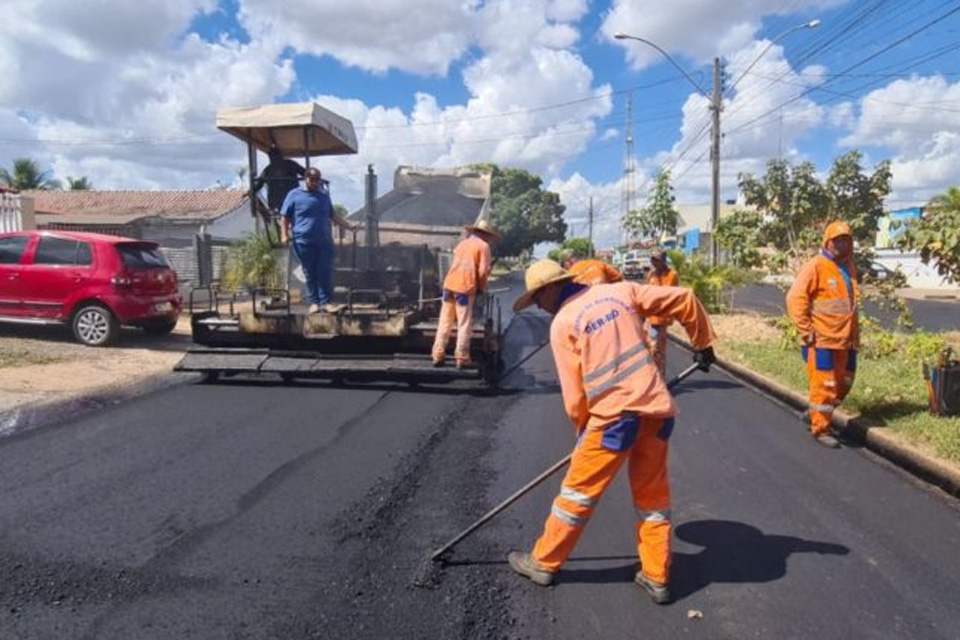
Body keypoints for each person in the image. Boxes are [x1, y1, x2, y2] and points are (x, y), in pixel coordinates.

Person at [507, 259, 716, 604]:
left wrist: (582, 436)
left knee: (575, 496)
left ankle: (543, 562)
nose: (539, 307)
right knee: (653, 500)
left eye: (537, 299)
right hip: (656, 411)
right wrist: (703, 342)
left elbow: (575, 397)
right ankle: (656, 576)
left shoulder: (563, 323)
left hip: (613, 421)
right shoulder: (621, 291)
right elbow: (683, 299)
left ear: (550, 289)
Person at [786, 221, 859, 449]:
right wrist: (806, 330)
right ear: (827, 242)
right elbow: (795, 298)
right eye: (837, 240)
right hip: (822, 340)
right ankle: (821, 428)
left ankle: (816, 412)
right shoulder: (815, 267)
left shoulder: (849, 267)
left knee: (844, 382)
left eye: (846, 240)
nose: (842, 245)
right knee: (825, 385)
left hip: (847, 340)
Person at [279, 167, 356, 314]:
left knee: (324, 271)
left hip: (324, 241)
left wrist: (349, 226)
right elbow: (285, 217)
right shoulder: (294, 195)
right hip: (303, 241)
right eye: (312, 179)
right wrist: (284, 234)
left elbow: (333, 215)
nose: (314, 182)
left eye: (317, 179)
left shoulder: (324, 196)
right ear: (306, 178)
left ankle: (326, 303)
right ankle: (314, 302)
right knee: (310, 272)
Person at [431, 219, 500, 368]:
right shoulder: (484, 246)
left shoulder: (462, 244)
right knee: (464, 323)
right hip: (464, 288)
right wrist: (480, 288)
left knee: (445, 322)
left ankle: (438, 354)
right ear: (486, 234)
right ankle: (462, 357)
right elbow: (483, 271)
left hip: (449, 286)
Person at [646, 251, 680, 375]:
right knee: (650, 348)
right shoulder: (651, 275)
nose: (654, 263)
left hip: (662, 318)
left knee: (657, 348)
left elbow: (672, 295)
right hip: (650, 317)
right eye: (652, 260)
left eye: (657, 260)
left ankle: (660, 378)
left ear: (663, 260)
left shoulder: (672, 275)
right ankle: (653, 377)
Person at [254, 146, 305, 212]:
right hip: (281, 202)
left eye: (274, 156)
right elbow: (259, 184)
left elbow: (306, 173)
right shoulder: (268, 170)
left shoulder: (269, 169)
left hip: (286, 201)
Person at [558, 250, 624, 286]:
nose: (564, 269)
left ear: (568, 262)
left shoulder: (569, 276)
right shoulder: (598, 263)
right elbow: (618, 277)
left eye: (563, 265)